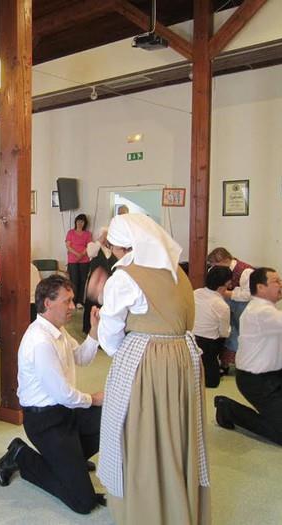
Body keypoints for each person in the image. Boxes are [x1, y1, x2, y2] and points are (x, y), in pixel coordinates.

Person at [97, 214, 209, 525]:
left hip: (148, 360)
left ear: (124, 246)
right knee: (177, 431)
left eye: (113, 247)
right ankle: (180, 504)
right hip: (183, 357)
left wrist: (111, 335)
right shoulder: (177, 271)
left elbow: (110, 337)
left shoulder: (124, 277)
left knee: (143, 432)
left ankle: (148, 510)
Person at [0, 275, 106, 514]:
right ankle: (21, 455)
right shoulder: (40, 341)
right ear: (47, 303)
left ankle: (70, 462)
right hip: (46, 422)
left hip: (65, 412)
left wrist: (94, 331)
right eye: (67, 301)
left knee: (110, 419)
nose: (72, 306)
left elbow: (82, 358)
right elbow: (64, 394)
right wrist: (93, 399)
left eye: (72, 300)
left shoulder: (58, 331)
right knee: (84, 503)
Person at [214, 267, 282, 447]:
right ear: (260, 288)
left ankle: (281, 413)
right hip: (258, 382)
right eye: (276, 281)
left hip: (280, 374)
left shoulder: (268, 310)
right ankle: (227, 408)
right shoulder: (259, 312)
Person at [207, 247, 254, 369]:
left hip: (244, 307)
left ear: (226, 260)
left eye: (216, 264)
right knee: (226, 330)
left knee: (241, 332)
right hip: (227, 305)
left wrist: (228, 293)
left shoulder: (245, 272)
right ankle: (225, 362)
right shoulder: (216, 269)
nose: (214, 268)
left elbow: (249, 294)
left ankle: (244, 363)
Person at [193, 265, 233, 388]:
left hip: (190, 338)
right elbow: (224, 333)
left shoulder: (195, 293)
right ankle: (221, 364)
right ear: (225, 285)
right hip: (208, 345)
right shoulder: (222, 305)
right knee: (212, 382)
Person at [82, 226, 117, 334]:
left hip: (108, 283)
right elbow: (90, 253)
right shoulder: (93, 246)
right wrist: (101, 239)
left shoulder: (113, 250)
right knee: (92, 306)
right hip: (95, 283)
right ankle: (89, 330)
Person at [65, 214, 92, 308]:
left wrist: (81, 254)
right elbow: (68, 246)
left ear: (85, 223)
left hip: (85, 260)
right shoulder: (70, 232)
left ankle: (80, 301)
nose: (80, 223)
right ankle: (73, 300)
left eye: (82, 221)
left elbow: (89, 246)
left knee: (83, 281)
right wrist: (77, 254)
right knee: (74, 281)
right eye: (78, 221)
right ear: (75, 222)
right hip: (72, 260)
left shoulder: (87, 234)